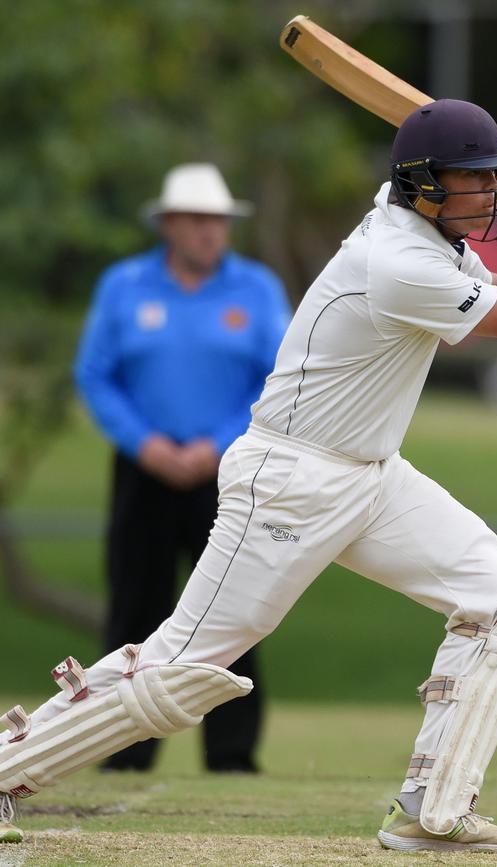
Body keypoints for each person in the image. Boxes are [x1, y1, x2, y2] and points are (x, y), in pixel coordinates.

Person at [1, 101, 497, 851]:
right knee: (183, 668)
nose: (493, 196)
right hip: (292, 479)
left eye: (493, 180)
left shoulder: (429, 236)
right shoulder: (397, 261)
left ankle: (432, 808)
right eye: (475, 181)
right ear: (425, 185)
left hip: (371, 475)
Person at [73, 163, 291, 773]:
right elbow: (96, 374)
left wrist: (217, 443)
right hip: (144, 469)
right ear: (169, 224)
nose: (209, 232)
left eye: (218, 221)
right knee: (135, 609)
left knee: (231, 610)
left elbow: (275, 377)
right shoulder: (125, 285)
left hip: (227, 469)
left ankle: (231, 754)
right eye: (197, 220)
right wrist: (144, 443)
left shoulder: (256, 290)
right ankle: (120, 749)